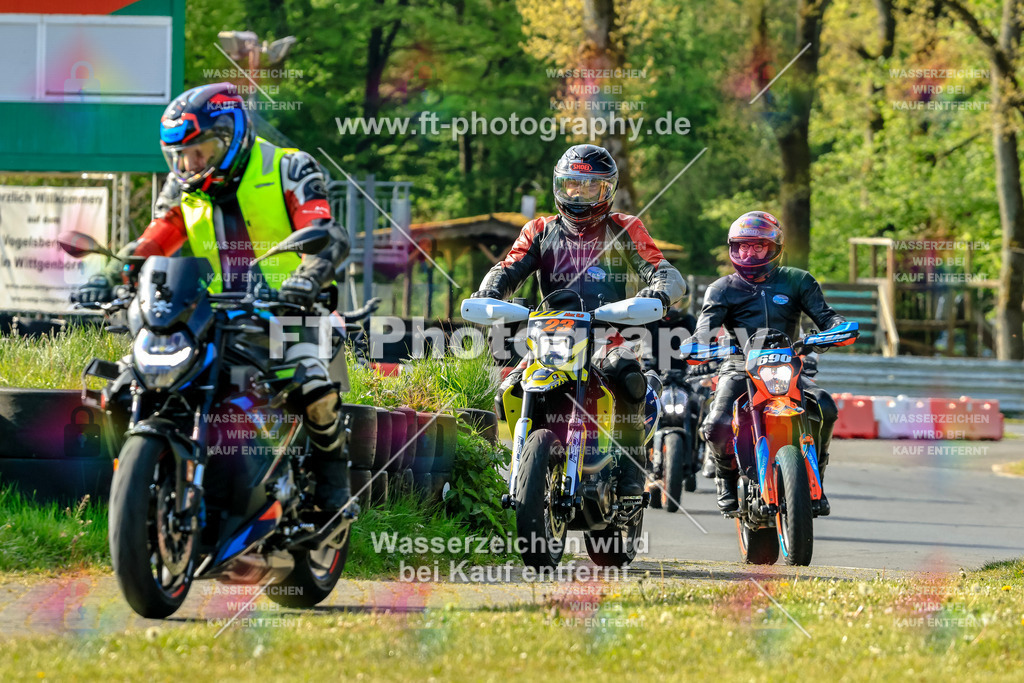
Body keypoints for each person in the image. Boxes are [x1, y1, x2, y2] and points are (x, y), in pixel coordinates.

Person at [72, 83, 353, 511]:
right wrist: (111, 272)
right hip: (208, 316)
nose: (189, 164)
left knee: (311, 385)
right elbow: (153, 240)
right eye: (181, 155)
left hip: (287, 310)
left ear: (230, 136)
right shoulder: (182, 187)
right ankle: (146, 489)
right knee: (127, 383)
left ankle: (335, 481)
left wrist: (307, 278)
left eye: (199, 150)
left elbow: (326, 233)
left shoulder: (291, 168)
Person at [471, 143, 687, 502]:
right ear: (560, 187)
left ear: (608, 190)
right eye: (573, 185)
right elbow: (508, 268)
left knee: (630, 378)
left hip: (609, 336)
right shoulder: (539, 229)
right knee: (506, 387)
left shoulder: (625, 228)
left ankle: (632, 477)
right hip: (550, 337)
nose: (580, 195)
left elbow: (664, 272)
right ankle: (507, 474)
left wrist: (659, 294)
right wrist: (489, 292)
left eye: (591, 187)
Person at [688, 210, 849, 516]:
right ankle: (726, 477)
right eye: (742, 245)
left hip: (787, 363)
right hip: (738, 363)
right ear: (733, 248)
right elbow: (704, 330)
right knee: (716, 423)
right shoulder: (721, 289)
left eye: (758, 246)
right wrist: (697, 345)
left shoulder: (798, 280)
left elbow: (827, 317)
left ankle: (817, 478)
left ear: (774, 248)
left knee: (825, 405)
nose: (749, 252)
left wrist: (837, 329)